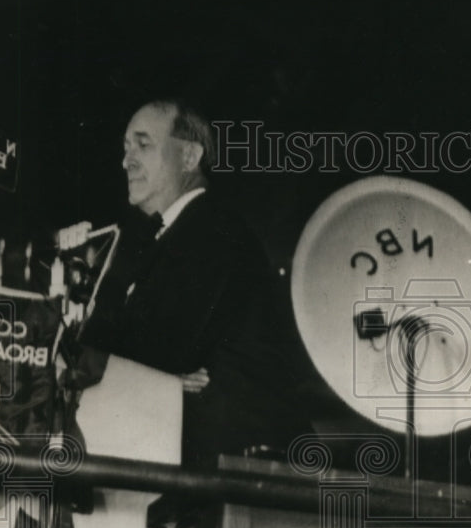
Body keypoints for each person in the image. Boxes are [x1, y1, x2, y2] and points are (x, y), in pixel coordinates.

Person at [65, 98, 311, 467]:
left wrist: (87, 354)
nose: (126, 160)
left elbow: (149, 350)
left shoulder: (212, 231)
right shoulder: (169, 236)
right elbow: (123, 353)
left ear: (189, 157)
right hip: (206, 471)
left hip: (246, 483)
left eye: (143, 144)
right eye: (125, 147)